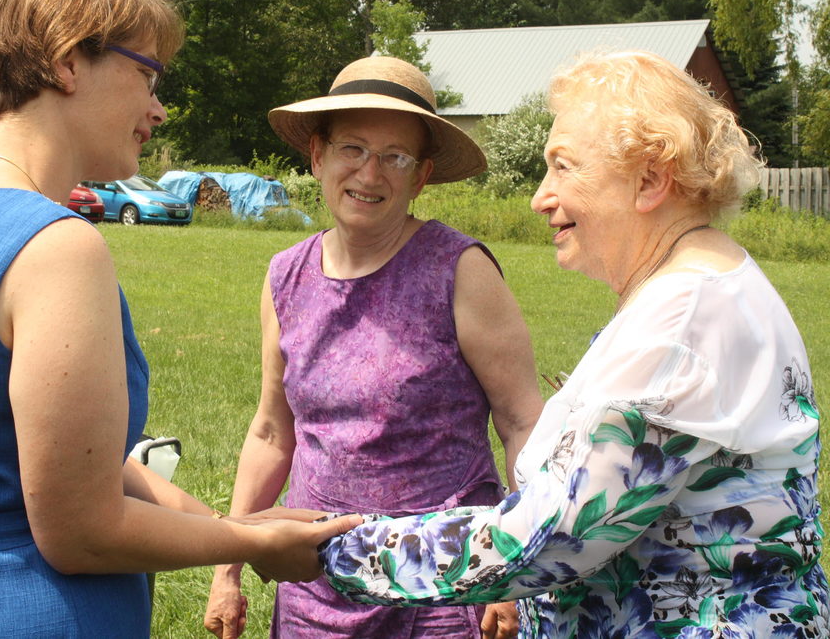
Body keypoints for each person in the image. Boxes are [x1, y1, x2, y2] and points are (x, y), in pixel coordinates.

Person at [0, 0, 359, 637]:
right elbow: (80, 529)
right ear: (67, 63)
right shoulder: (56, 246)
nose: (159, 107)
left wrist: (228, 524)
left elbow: (57, 458)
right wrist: (253, 545)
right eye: (146, 74)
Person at [317, 49, 829, 638]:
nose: (540, 196)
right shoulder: (700, 289)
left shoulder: (683, 319)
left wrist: (334, 551)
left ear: (650, 179)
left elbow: (549, 538)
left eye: (563, 167)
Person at [204, 56, 544, 639]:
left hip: (442, 583)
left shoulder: (458, 269)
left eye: (395, 157)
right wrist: (226, 568)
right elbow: (270, 431)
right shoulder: (286, 276)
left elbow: (521, 422)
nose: (370, 173)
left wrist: (515, 569)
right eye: (353, 149)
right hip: (315, 582)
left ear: (421, 175)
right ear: (318, 156)